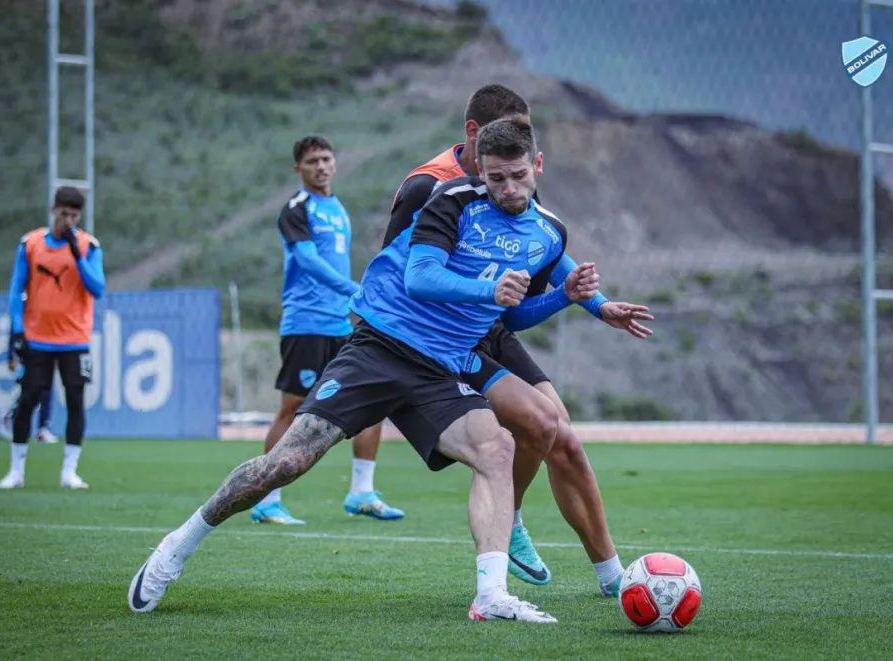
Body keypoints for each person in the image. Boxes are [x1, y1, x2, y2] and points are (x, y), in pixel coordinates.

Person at [128, 116, 597, 623]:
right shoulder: (450, 200)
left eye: (517, 176)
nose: (507, 187)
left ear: (537, 166)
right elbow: (419, 279)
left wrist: (565, 299)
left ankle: (490, 596)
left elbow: (512, 314)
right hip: (382, 347)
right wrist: (491, 290)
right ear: (479, 169)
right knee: (287, 463)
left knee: (497, 448)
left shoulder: (547, 232)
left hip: (441, 369)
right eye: (495, 177)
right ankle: (178, 545)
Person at [388, 84, 653, 596]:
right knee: (538, 425)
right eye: (506, 154)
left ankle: (612, 579)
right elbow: (399, 274)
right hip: (442, 335)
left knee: (564, 438)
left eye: (525, 156)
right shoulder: (430, 188)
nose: (514, 176)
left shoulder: (512, 179)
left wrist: (599, 305)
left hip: (493, 323)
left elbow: (547, 254)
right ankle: (505, 521)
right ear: (476, 138)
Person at [247, 135, 404, 525]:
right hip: (307, 323)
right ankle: (267, 499)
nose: (321, 165)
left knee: (374, 400)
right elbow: (308, 261)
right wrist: (354, 290)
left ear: (335, 163)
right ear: (298, 168)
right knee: (292, 408)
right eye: (312, 160)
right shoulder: (296, 208)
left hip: (340, 324)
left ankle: (362, 492)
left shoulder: (338, 208)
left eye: (326, 158)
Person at [0, 186, 105, 490]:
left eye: (74, 215)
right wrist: (17, 329)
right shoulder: (29, 244)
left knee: (75, 402)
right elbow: (17, 289)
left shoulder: (88, 246)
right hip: (37, 339)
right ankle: (16, 471)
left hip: (74, 340)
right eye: (63, 213)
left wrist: (76, 255)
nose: (68, 220)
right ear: (53, 209)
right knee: (27, 400)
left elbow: (97, 288)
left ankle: (69, 472)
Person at [0, 327, 58, 445]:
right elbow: (15, 327)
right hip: (30, 348)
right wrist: (11, 356)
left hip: (46, 347)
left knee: (46, 388)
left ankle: (43, 427)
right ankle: (12, 414)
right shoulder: (25, 312)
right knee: (32, 389)